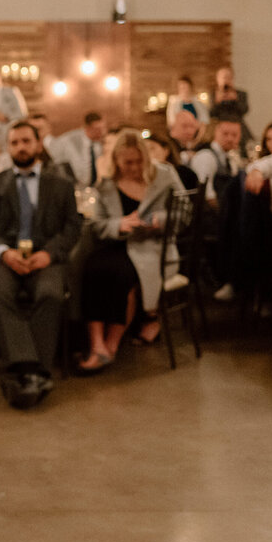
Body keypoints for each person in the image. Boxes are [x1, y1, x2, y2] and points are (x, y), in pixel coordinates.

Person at [0, 120, 81, 408]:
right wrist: (2, 252)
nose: (21, 147)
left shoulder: (60, 184)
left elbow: (72, 228)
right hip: (3, 258)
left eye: (26, 141)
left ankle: (25, 373)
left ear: (37, 144)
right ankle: (32, 371)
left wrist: (49, 254)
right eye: (15, 142)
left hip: (44, 257)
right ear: (9, 148)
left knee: (51, 294)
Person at [77, 130, 181, 372]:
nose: (133, 168)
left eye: (138, 161)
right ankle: (97, 344)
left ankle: (111, 345)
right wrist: (119, 225)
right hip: (119, 244)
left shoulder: (164, 175)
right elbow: (97, 225)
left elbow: (184, 214)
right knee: (92, 269)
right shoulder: (107, 184)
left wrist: (161, 220)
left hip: (153, 248)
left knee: (122, 278)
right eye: (127, 163)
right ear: (116, 161)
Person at [189, 116, 243, 203]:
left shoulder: (230, 159)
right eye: (225, 134)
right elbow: (206, 194)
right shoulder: (206, 156)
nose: (230, 139)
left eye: (234, 135)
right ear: (216, 132)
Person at [51, 110, 107, 187]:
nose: (101, 132)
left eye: (103, 128)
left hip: (95, 187)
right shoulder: (69, 141)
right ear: (88, 127)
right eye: (97, 129)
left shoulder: (98, 145)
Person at [209, 66, 251, 150]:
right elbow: (211, 114)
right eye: (223, 77)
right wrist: (218, 101)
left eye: (228, 77)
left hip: (237, 126)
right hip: (220, 126)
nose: (226, 80)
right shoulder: (214, 94)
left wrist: (235, 100)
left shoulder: (241, 94)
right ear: (218, 79)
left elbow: (244, 110)